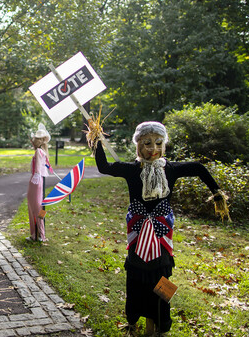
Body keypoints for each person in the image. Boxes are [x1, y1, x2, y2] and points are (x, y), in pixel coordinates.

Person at [92, 121, 227, 335]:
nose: (153, 149)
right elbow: (104, 167)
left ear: (164, 144)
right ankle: (133, 321)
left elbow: (199, 168)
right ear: (138, 145)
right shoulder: (131, 169)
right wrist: (97, 139)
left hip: (162, 233)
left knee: (162, 279)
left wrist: (217, 193)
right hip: (137, 233)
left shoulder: (170, 169)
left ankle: (160, 324)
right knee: (135, 279)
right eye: (147, 143)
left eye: (158, 143)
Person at [26, 123, 52, 242]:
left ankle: (39, 234)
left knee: (35, 207)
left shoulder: (38, 152)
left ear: (38, 140)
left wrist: (36, 176)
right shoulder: (42, 151)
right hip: (39, 179)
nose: (33, 140)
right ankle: (37, 234)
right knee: (36, 206)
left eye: (35, 139)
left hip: (36, 181)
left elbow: (37, 168)